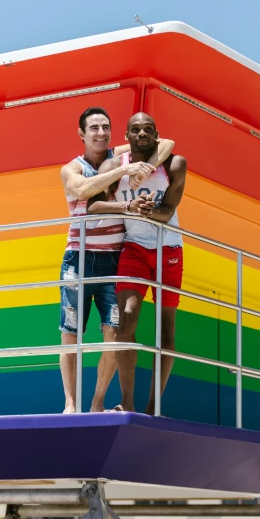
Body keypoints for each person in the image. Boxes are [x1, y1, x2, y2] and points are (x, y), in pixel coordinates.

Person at [59, 106, 174, 413]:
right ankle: (70, 403)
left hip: (114, 257)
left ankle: (97, 401)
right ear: (82, 134)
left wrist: (145, 168)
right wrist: (124, 171)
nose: (101, 133)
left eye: (105, 127)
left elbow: (166, 144)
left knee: (113, 332)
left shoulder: (117, 153)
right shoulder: (73, 167)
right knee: (71, 333)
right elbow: (83, 189)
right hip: (78, 258)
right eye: (94, 128)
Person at [87, 112, 187, 414]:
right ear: (127, 137)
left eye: (147, 129)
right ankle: (127, 401)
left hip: (169, 249)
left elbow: (168, 211)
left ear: (156, 135)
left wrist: (145, 210)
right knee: (126, 319)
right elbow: (92, 205)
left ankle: (153, 406)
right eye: (135, 130)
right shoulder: (114, 166)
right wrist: (127, 206)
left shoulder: (174, 164)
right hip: (134, 248)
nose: (141, 133)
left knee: (166, 330)